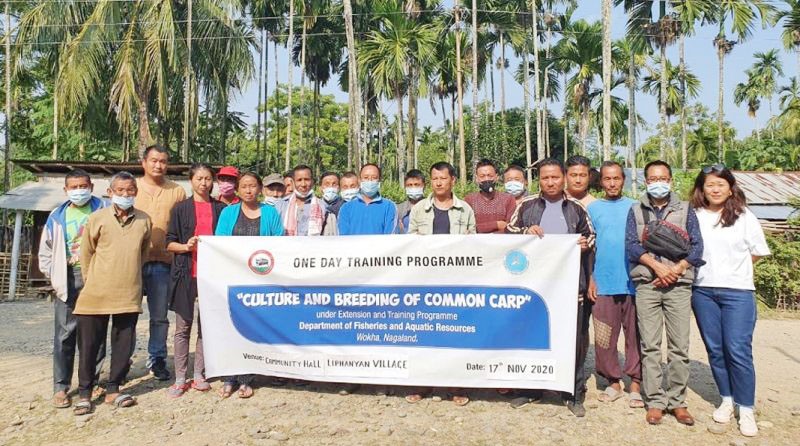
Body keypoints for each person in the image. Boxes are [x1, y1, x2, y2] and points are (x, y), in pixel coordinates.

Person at [506, 158, 594, 417]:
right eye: (545, 178)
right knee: (533, 336)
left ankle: (572, 393)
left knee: (573, 338)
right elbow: (510, 233)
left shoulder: (576, 207)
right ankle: (532, 389)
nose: (551, 182)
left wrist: (583, 244)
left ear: (563, 178)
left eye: (555, 177)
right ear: (539, 180)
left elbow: (590, 235)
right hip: (535, 286)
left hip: (570, 286)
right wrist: (525, 232)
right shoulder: (526, 206)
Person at [690, 164, 770, 437]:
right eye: (709, 185)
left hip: (738, 292)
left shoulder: (744, 216)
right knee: (715, 349)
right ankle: (726, 399)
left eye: (720, 184)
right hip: (702, 291)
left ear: (730, 187)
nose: (715, 189)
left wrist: (734, 270)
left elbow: (757, 252)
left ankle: (745, 408)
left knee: (737, 349)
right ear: (702, 188)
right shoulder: (695, 215)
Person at [625, 160, 705, 426]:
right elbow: (632, 247)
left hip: (679, 286)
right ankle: (656, 401)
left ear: (670, 181)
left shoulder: (685, 210)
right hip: (647, 285)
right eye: (652, 178)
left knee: (679, 346)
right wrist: (658, 267)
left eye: (663, 178)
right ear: (646, 182)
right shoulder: (636, 210)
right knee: (650, 346)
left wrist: (677, 269)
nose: (658, 182)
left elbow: (696, 247)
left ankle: (678, 401)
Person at [72, 171, 152, 415]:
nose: (125, 194)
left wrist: (131, 277)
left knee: (123, 345)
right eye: (120, 190)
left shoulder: (145, 220)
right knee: (89, 345)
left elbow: (143, 255)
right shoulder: (97, 219)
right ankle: (85, 393)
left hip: (128, 293)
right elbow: (86, 254)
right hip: (95, 293)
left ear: (136, 193)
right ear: (110, 192)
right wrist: (92, 280)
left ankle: (113, 388)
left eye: (130, 190)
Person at [405, 161, 476, 406]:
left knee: (455, 333)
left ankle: (456, 386)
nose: (438, 182)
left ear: (452, 180)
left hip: (455, 283)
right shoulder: (419, 210)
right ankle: (421, 384)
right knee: (423, 332)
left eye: (443, 178)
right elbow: (409, 244)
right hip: (424, 281)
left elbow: (473, 245)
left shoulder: (465, 209)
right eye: (434, 178)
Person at [39, 169, 108, 409]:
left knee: (95, 333)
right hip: (68, 277)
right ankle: (61, 387)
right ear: (66, 190)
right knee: (65, 334)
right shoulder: (57, 216)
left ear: (91, 186)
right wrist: (55, 276)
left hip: (97, 277)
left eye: (83, 186)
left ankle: (93, 380)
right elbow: (45, 251)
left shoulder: (104, 210)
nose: (79, 190)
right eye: (74, 187)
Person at [215, 172, 284, 399]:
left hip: (261, 281)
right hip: (233, 279)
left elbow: (280, 244)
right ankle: (229, 377)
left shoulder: (270, 212)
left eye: (252, 186)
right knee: (231, 327)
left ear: (260, 189)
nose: (248, 190)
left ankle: (247, 377)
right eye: (244, 186)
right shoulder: (228, 213)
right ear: (238, 189)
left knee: (253, 328)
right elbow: (220, 244)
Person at [165, 164, 227, 398]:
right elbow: (169, 242)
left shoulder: (222, 209)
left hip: (211, 275)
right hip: (185, 273)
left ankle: (200, 373)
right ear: (191, 181)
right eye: (199, 178)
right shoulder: (181, 209)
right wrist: (185, 246)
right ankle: (180, 377)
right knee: (183, 328)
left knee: (206, 327)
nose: (204, 183)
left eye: (208, 179)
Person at [586, 161, 643, 408]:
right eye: (607, 179)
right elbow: (589, 247)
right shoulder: (593, 208)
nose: (612, 183)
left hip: (635, 283)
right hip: (604, 283)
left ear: (623, 180)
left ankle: (636, 384)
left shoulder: (636, 207)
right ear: (601, 181)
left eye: (616, 178)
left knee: (636, 336)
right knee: (604, 337)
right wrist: (591, 277)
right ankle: (613, 381)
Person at [135, 144, 186, 381]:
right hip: (131, 263)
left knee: (159, 317)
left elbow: (182, 227)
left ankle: (157, 359)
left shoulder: (176, 191)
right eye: (154, 160)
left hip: (165, 263)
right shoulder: (130, 188)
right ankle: (122, 361)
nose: (158, 165)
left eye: (163, 161)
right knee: (127, 315)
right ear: (143, 162)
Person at [338, 164, 397, 235]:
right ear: (359, 181)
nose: (370, 181)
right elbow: (343, 237)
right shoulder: (346, 208)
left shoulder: (389, 206)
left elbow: (391, 237)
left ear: (379, 181)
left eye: (374, 177)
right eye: (366, 177)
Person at [465, 159, 517, 234]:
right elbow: (468, 229)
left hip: (501, 244)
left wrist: (483, 230)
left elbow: (510, 227)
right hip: (476, 244)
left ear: (496, 177)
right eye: (482, 176)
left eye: (490, 176)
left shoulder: (508, 199)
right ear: (477, 179)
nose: (486, 179)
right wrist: (497, 224)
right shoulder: (470, 200)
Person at [275, 165, 326, 236]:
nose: (303, 184)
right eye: (299, 180)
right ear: (293, 182)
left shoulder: (322, 206)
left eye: (307, 179)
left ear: (312, 182)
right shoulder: (280, 206)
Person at [320, 171, 343, 236]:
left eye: (334, 184)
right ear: (321, 188)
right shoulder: (316, 207)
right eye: (327, 184)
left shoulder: (344, 207)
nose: (331, 187)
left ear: (339, 188)